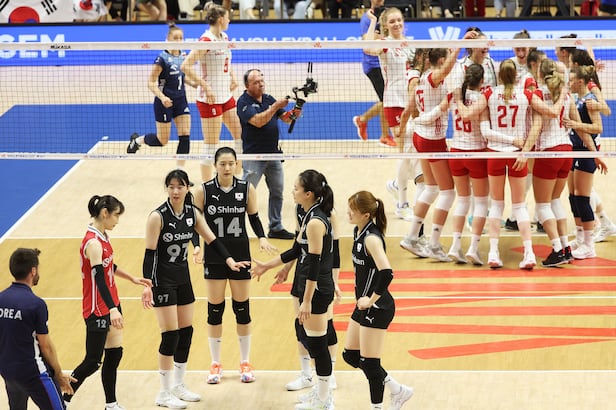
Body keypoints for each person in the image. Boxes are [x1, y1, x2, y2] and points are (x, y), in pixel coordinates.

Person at [141, 169, 249, 409]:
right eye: (171, 187)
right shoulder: (157, 217)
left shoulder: (192, 213)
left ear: (187, 188)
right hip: (162, 281)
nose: (175, 191)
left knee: (186, 332)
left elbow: (213, 240)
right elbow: (149, 254)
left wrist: (229, 260)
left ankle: (178, 385)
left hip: (183, 279)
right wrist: (148, 284)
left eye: (180, 187)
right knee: (170, 336)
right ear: (166, 189)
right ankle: (163, 392)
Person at [252, 169, 336, 410]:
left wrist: (307, 300)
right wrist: (267, 266)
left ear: (308, 193)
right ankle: (320, 392)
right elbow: (297, 251)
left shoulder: (316, 222)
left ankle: (324, 399)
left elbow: (314, 265)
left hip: (317, 289)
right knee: (310, 340)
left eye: (296, 188)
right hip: (310, 286)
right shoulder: (308, 215)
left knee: (318, 346)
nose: (293, 191)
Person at [192, 147, 277, 385]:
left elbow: (254, 217)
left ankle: (245, 362)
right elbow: (194, 223)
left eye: (231, 163)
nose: (227, 168)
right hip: (214, 255)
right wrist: (197, 246)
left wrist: (262, 237)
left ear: (237, 164)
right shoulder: (203, 191)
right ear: (215, 165)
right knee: (215, 310)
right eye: (222, 164)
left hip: (240, 254)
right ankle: (215, 363)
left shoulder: (246, 189)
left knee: (242, 310)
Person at [63, 195, 151, 410]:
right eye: (116, 216)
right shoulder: (93, 243)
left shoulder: (102, 236)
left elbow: (109, 265)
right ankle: (61, 399)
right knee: (92, 361)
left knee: (114, 353)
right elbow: (99, 278)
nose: (117, 221)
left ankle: (111, 404)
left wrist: (132, 278)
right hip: (97, 308)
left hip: (111, 303)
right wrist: (112, 309)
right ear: (105, 213)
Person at [399, 32, 476, 262]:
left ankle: (411, 237)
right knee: (448, 192)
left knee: (431, 188)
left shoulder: (423, 77)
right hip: (432, 139)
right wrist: (460, 45)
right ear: (441, 60)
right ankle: (433, 243)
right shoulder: (432, 77)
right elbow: (447, 68)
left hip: (422, 137)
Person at [343, 191, 414, 410]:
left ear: (365, 215)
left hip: (378, 307)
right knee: (351, 355)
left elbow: (387, 273)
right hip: (363, 305)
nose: (348, 213)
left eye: (352, 210)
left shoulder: (371, 239)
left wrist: (370, 299)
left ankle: (378, 407)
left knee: (370, 363)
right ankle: (397, 389)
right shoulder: (358, 231)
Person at [276, 204, 341, 394]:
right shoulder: (299, 210)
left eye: (297, 189)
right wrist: (286, 268)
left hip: (321, 277)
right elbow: (297, 247)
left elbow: (335, 251)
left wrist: (335, 281)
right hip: (302, 273)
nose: (293, 192)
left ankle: (329, 374)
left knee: (327, 326)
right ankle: (306, 374)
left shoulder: (328, 214)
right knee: (300, 324)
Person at [0, 248, 74, 410]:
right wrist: (58, 373)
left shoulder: (1, 298)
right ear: (33, 271)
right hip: (32, 372)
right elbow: (45, 346)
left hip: (7, 370)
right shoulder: (36, 304)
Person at [520, 59, 577, 266]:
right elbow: (576, 123)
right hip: (567, 150)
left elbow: (537, 127)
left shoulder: (537, 94)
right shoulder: (567, 95)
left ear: (539, 74)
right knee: (554, 201)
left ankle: (557, 250)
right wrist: (593, 150)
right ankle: (566, 247)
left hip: (549, 152)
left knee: (543, 204)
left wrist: (525, 151)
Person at [181, 2, 243, 182]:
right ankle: (207, 186)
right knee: (211, 146)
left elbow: (226, 61)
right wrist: (205, 86)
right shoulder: (206, 41)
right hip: (210, 99)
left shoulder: (224, 37)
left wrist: (232, 77)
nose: (230, 20)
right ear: (221, 19)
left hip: (226, 96)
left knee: (240, 135)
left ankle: (237, 179)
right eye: (228, 18)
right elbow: (185, 66)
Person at [236, 68, 297, 240]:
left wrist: (296, 111)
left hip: (273, 156)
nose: (261, 84)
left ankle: (275, 227)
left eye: (261, 80)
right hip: (254, 157)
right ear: (247, 85)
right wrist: (275, 106)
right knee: (244, 195)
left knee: (277, 192)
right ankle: (234, 227)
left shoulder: (268, 98)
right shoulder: (243, 102)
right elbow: (258, 121)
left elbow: (286, 118)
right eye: (256, 82)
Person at [127, 24, 194, 169]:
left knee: (185, 136)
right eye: (175, 38)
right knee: (162, 141)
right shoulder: (162, 59)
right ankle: (137, 141)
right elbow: (151, 83)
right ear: (168, 39)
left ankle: (179, 171)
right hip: (164, 103)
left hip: (181, 100)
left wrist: (194, 84)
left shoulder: (183, 55)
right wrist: (163, 97)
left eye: (181, 38)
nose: (179, 41)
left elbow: (180, 76)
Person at [562, 65, 607, 260]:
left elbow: (598, 127)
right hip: (574, 149)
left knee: (582, 197)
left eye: (571, 80)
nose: (569, 83)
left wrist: (576, 124)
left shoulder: (589, 101)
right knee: (573, 196)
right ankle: (580, 238)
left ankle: (589, 245)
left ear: (580, 82)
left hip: (586, 151)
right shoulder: (575, 99)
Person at [448, 64, 489, 266]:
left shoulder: (455, 96)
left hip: (456, 151)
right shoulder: (482, 99)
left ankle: (455, 245)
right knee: (481, 202)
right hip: (475, 153)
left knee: (463, 200)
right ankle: (473, 247)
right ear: (482, 81)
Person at [363, 8, 415, 149]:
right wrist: (373, 21)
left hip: (412, 101)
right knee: (403, 148)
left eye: (399, 20)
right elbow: (367, 48)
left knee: (415, 147)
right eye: (392, 21)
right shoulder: (385, 43)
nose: (397, 24)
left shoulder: (411, 44)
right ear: (385, 25)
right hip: (395, 101)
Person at [352, 0, 391, 147]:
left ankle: (363, 120)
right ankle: (384, 136)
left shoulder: (387, 14)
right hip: (373, 65)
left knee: (386, 99)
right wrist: (382, 37)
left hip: (385, 64)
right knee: (386, 100)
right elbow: (365, 40)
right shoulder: (367, 18)